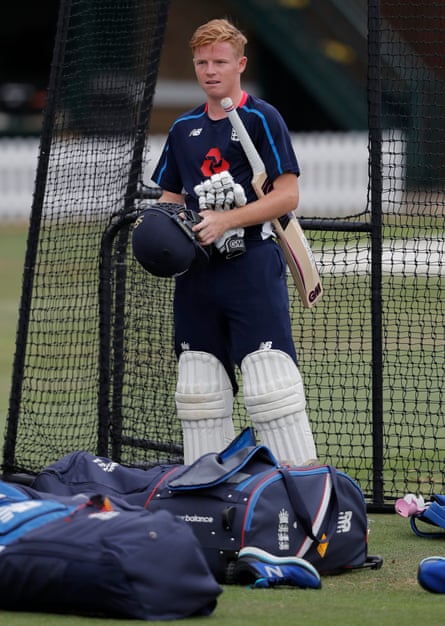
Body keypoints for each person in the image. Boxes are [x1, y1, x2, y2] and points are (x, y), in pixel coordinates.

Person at [150, 18, 317, 465]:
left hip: (252, 266)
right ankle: (209, 501)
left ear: (239, 64)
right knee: (199, 392)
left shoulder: (263, 118)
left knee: (271, 388)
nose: (209, 70)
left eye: (219, 62)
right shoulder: (184, 128)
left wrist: (226, 221)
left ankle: (301, 495)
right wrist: (163, 230)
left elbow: (287, 195)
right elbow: (169, 200)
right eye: (201, 62)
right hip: (197, 276)